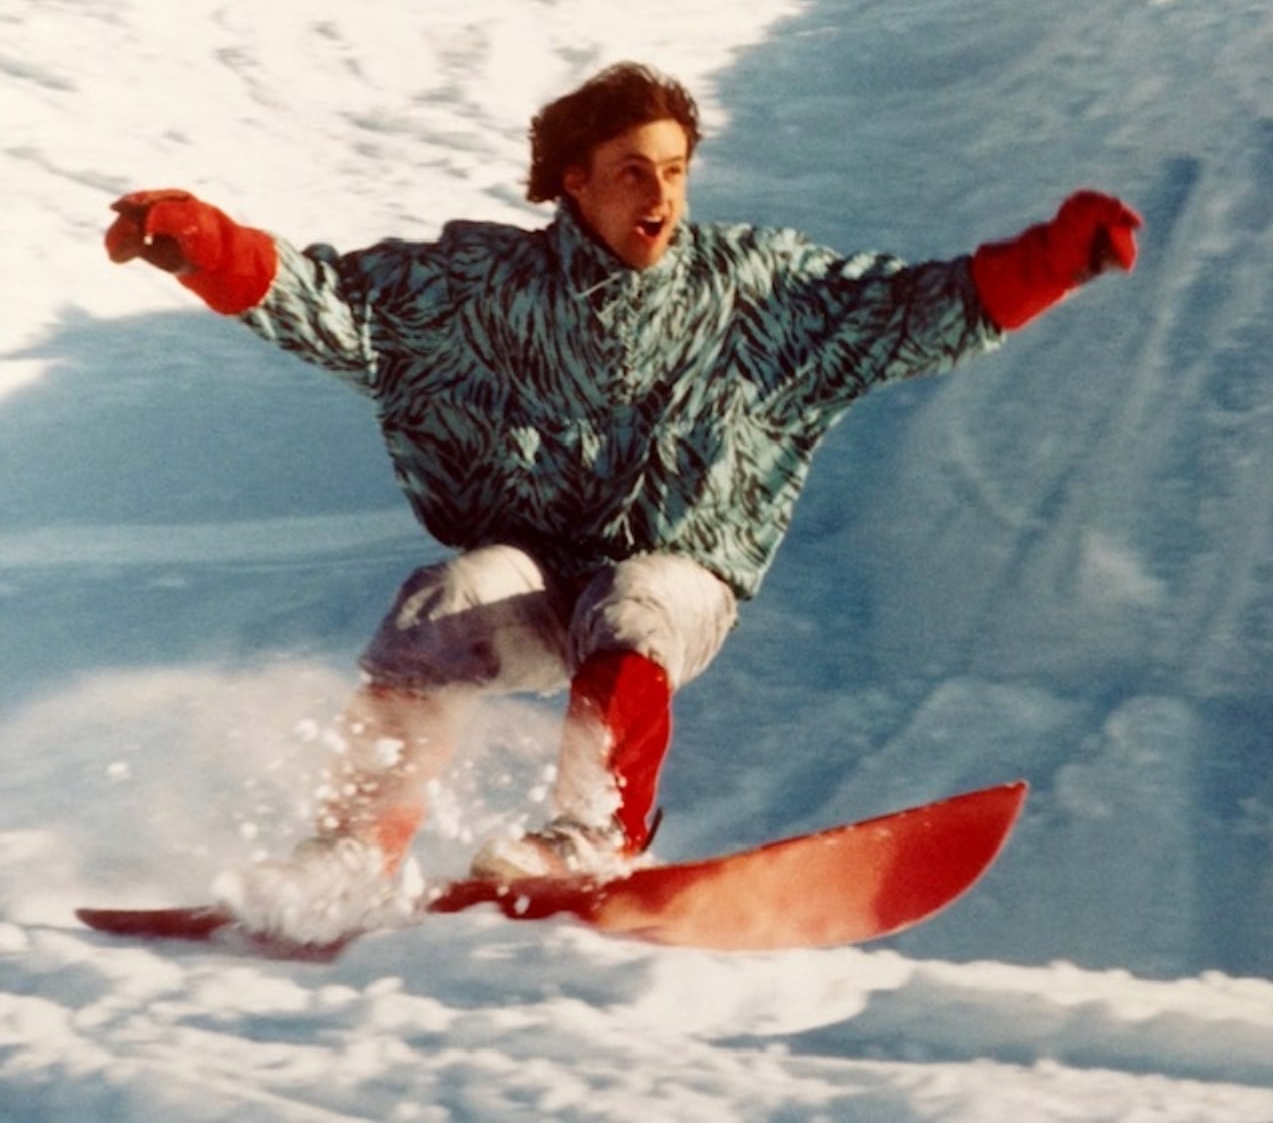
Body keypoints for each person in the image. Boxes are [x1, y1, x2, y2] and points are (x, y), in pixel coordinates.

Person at [105, 61, 1142, 941]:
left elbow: (910, 312)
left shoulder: (755, 293)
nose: (661, 195)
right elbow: (341, 305)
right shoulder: (489, 288)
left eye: (677, 172)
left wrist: (1054, 258)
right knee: (446, 599)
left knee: (633, 599)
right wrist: (203, 243)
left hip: (680, 573)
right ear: (574, 182)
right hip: (539, 572)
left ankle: (588, 834)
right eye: (633, 172)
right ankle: (346, 852)